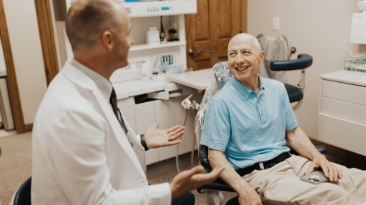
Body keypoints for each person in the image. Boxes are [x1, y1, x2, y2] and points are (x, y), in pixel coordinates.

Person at [31, 0, 224, 204]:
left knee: (183, 200)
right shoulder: (71, 111)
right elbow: (99, 202)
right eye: (128, 33)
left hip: (118, 188)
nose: (131, 41)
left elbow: (104, 142)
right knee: (181, 198)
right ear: (108, 40)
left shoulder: (93, 84)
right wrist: (170, 189)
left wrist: (141, 141)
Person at [200, 33, 366, 205]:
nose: (238, 60)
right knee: (335, 197)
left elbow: (293, 133)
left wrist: (318, 157)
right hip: (261, 173)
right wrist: (245, 189)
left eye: (245, 52)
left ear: (261, 56)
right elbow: (214, 155)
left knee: (358, 181)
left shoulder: (277, 89)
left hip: (293, 161)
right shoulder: (221, 102)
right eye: (232, 54)